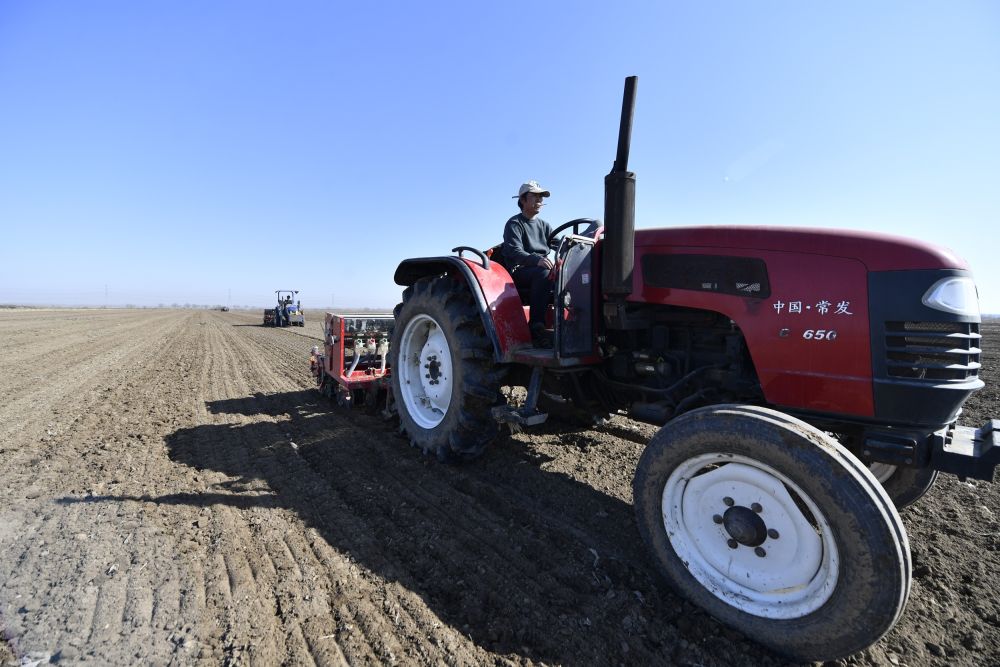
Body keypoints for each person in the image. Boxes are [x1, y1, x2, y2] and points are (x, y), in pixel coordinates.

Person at [502, 180, 558, 347]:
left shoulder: (545, 225)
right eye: (534, 196)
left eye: (541, 197)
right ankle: (536, 326)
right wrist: (536, 259)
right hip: (520, 270)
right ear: (523, 200)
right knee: (543, 273)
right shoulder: (514, 224)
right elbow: (515, 251)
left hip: (542, 267)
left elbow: (557, 243)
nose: (539, 200)